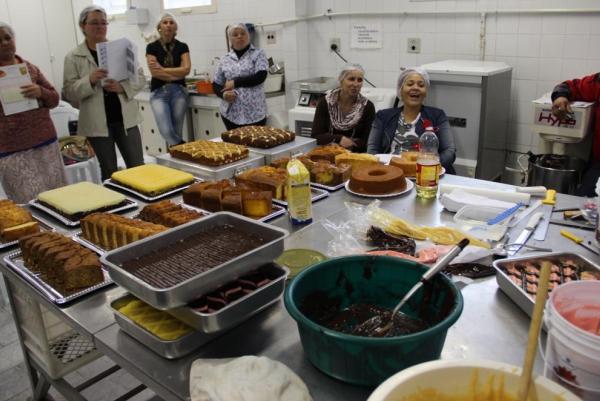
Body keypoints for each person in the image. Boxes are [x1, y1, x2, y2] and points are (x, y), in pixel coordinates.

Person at [63, 5, 145, 181]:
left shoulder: (121, 49)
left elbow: (140, 77)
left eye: (103, 22)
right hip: (97, 124)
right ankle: (118, 206)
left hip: (126, 120)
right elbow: (68, 92)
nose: (100, 26)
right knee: (109, 171)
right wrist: (90, 80)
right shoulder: (73, 56)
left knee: (137, 166)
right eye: (94, 23)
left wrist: (122, 88)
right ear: (83, 26)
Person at [0, 22, 66, 203]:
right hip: (12, 150)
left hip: (45, 143)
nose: (5, 43)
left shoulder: (30, 68)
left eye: (7, 37)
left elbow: (54, 99)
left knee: (59, 197)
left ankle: (60, 232)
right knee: (29, 202)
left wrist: (40, 92)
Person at [367, 67, 456, 174]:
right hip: (391, 172)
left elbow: (450, 151)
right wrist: (388, 169)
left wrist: (427, 167)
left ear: (425, 91)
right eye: (410, 84)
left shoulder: (437, 115)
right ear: (400, 89)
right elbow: (372, 150)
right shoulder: (383, 116)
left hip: (428, 174)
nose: (415, 88)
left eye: (421, 85)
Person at [212, 23, 268, 131]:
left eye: (243, 33)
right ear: (230, 39)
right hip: (230, 115)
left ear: (248, 35)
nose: (239, 36)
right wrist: (223, 94)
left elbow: (261, 76)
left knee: (256, 145)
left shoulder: (258, 54)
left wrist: (235, 82)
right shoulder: (225, 59)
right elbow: (216, 84)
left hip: (255, 114)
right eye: (235, 34)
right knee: (235, 147)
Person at [551, 73, 600, 197]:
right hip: (597, 164)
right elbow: (568, 86)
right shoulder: (597, 83)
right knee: (581, 204)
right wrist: (560, 97)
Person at [146, 13, 191, 147]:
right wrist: (177, 73)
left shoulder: (182, 46)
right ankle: (184, 148)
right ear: (159, 27)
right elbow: (154, 72)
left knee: (176, 131)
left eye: (171, 23)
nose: (168, 25)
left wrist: (163, 69)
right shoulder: (152, 47)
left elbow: (187, 69)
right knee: (166, 131)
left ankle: (175, 162)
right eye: (165, 22)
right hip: (159, 93)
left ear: (175, 27)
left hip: (179, 92)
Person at [311, 64, 375, 153]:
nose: (356, 84)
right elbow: (316, 136)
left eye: (359, 80)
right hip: (328, 154)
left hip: (354, 155)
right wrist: (339, 139)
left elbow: (368, 140)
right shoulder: (325, 103)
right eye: (351, 79)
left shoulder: (367, 106)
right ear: (341, 81)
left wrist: (348, 146)